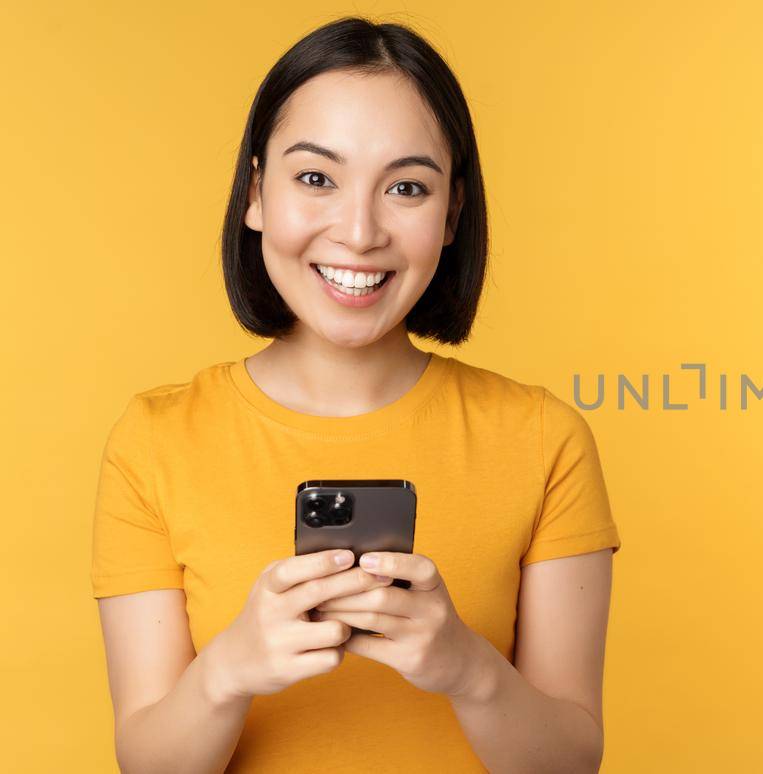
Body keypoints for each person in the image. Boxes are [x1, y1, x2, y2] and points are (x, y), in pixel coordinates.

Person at [89, 16, 620, 773]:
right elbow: (148, 764)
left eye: (406, 187)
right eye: (316, 178)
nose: (360, 231)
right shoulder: (155, 439)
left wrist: (466, 668)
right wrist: (228, 670)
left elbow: (571, 763)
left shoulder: (543, 438)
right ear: (255, 194)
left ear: (451, 215)